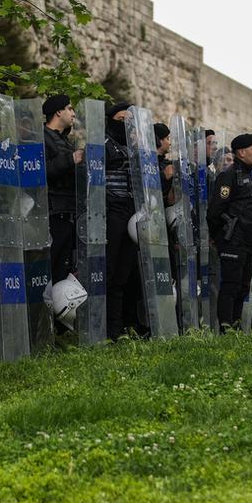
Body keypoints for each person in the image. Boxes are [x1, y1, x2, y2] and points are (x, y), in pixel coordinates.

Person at [207, 134, 252, 329]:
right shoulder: (229, 176)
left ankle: (237, 328)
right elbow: (215, 211)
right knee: (230, 287)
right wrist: (219, 238)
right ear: (241, 152)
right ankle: (226, 329)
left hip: (248, 243)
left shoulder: (248, 176)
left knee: (243, 288)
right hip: (233, 242)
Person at [104, 101, 142, 338]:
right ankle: (107, 329)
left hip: (131, 211)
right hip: (112, 211)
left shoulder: (133, 148)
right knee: (109, 272)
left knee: (123, 275)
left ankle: (118, 329)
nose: (127, 126)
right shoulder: (105, 144)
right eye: (122, 120)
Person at [42, 95, 83, 306]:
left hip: (69, 210)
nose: (73, 113)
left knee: (64, 267)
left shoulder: (66, 141)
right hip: (52, 210)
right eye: (69, 108)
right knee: (51, 265)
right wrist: (71, 159)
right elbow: (40, 170)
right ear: (58, 112)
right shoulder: (41, 137)